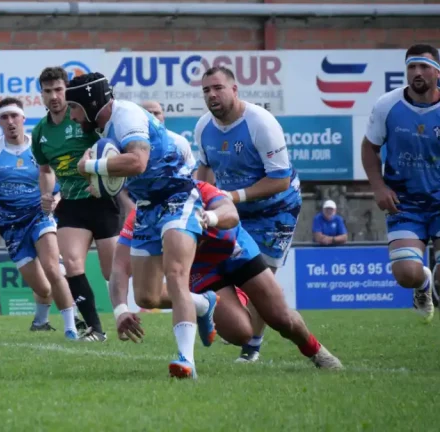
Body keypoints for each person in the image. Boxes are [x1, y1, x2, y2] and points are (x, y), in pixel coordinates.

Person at [111, 182, 343, 370]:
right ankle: (214, 301)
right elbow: (120, 265)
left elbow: (230, 213)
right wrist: (120, 310)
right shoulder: (142, 214)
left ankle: (316, 351)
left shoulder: (198, 189)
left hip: (235, 250)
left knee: (281, 319)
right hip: (202, 269)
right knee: (242, 334)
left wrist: (209, 218)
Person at [68, 72, 205, 378]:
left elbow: (138, 162)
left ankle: (186, 360)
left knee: (176, 273)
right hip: (146, 207)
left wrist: (88, 167)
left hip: (177, 198)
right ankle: (204, 304)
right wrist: (97, 182)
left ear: (90, 102)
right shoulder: (103, 129)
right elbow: (114, 179)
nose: (74, 117)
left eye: (74, 108)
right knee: (147, 297)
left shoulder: (126, 115)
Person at [194, 66, 301, 363]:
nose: (212, 95)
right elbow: (204, 170)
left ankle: (251, 346)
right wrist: (196, 197)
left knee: (260, 278)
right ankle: (237, 323)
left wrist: (234, 196)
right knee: (233, 270)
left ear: (234, 89)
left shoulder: (260, 123)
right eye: (206, 90)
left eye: (217, 88)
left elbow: (279, 179)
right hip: (233, 210)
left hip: (277, 209)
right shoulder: (204, 126)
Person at [0, 97, 82, 340]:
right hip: (11, 228)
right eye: (4, 117)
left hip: (40, 217)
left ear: (23, 119)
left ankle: (71, 328)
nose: (10, 122)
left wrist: (55, 199)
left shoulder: (40, 148)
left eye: (14, 116)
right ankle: (41, 321)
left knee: (54, 269)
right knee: (42, 288)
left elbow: (56, 181)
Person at [32, 66, 117, 342]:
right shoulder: (39, 133)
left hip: (101, 200)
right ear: (41, 95)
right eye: (48, 91)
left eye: (58, 89)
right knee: (71, 264)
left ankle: (125, 315)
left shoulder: (83, 118)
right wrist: (47, 195)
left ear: (66, 90)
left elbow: (110, 149)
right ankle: (95, 329)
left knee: (112, 271)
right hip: (71, 205)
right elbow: (46, 170)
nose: (54, 96)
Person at [361, 43, 440, 323]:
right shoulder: (387, 105)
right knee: (406, 274)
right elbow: (369, 147)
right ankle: (422, 285)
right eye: (411, 67)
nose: (417, 72)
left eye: (424, 67)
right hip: (404, 202)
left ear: (437, 72)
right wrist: (379, 187)